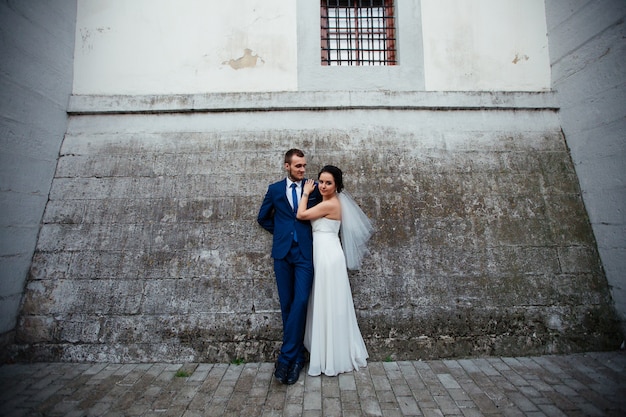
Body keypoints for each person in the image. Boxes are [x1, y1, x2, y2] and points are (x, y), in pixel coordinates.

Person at [296, 165, 373, 376]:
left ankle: (331, 356)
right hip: (326, 255)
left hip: (328, 257)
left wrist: (305, 193)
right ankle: (328, 351)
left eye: (328, 183)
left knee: (329, 303)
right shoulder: (328, 202)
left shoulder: (330, 204)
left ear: (336, 185)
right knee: (329, 303)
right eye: (321, 181)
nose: (322, 186)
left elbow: (301, 214)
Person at [257, 149, 321, 385]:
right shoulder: (274, 189)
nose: (303, 170)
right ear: (287, 166)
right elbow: (262, 218)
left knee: (301, 301)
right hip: (282, 253)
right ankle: (296, 359)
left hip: (305, 253)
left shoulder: (312, 188)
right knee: (287, 304)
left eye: (304, 166)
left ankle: (285, 359)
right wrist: (284, 234)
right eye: (298, 166)